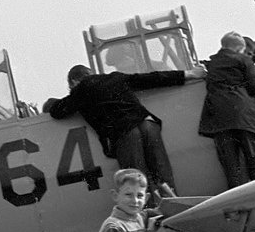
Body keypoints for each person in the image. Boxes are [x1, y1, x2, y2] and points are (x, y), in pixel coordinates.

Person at [44, 62, 204, 197]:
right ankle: (173, 204)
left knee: (137, 184)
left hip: (124, 132)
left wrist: (68, 97)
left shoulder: (80, 90)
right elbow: (152, 79)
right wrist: (190, 73)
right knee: (163, 175)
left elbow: (56, 111)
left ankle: (150, 222)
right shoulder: (115, 77)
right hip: (147, 124)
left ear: (73, 82)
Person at [198, 32, 255, 188]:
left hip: (220, 120)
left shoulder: (212, 64)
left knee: (232, 169)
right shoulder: (244, 60)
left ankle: (237, 207)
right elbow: (254, 86)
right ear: (239, 49)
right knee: (254, 162)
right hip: (244, 117)